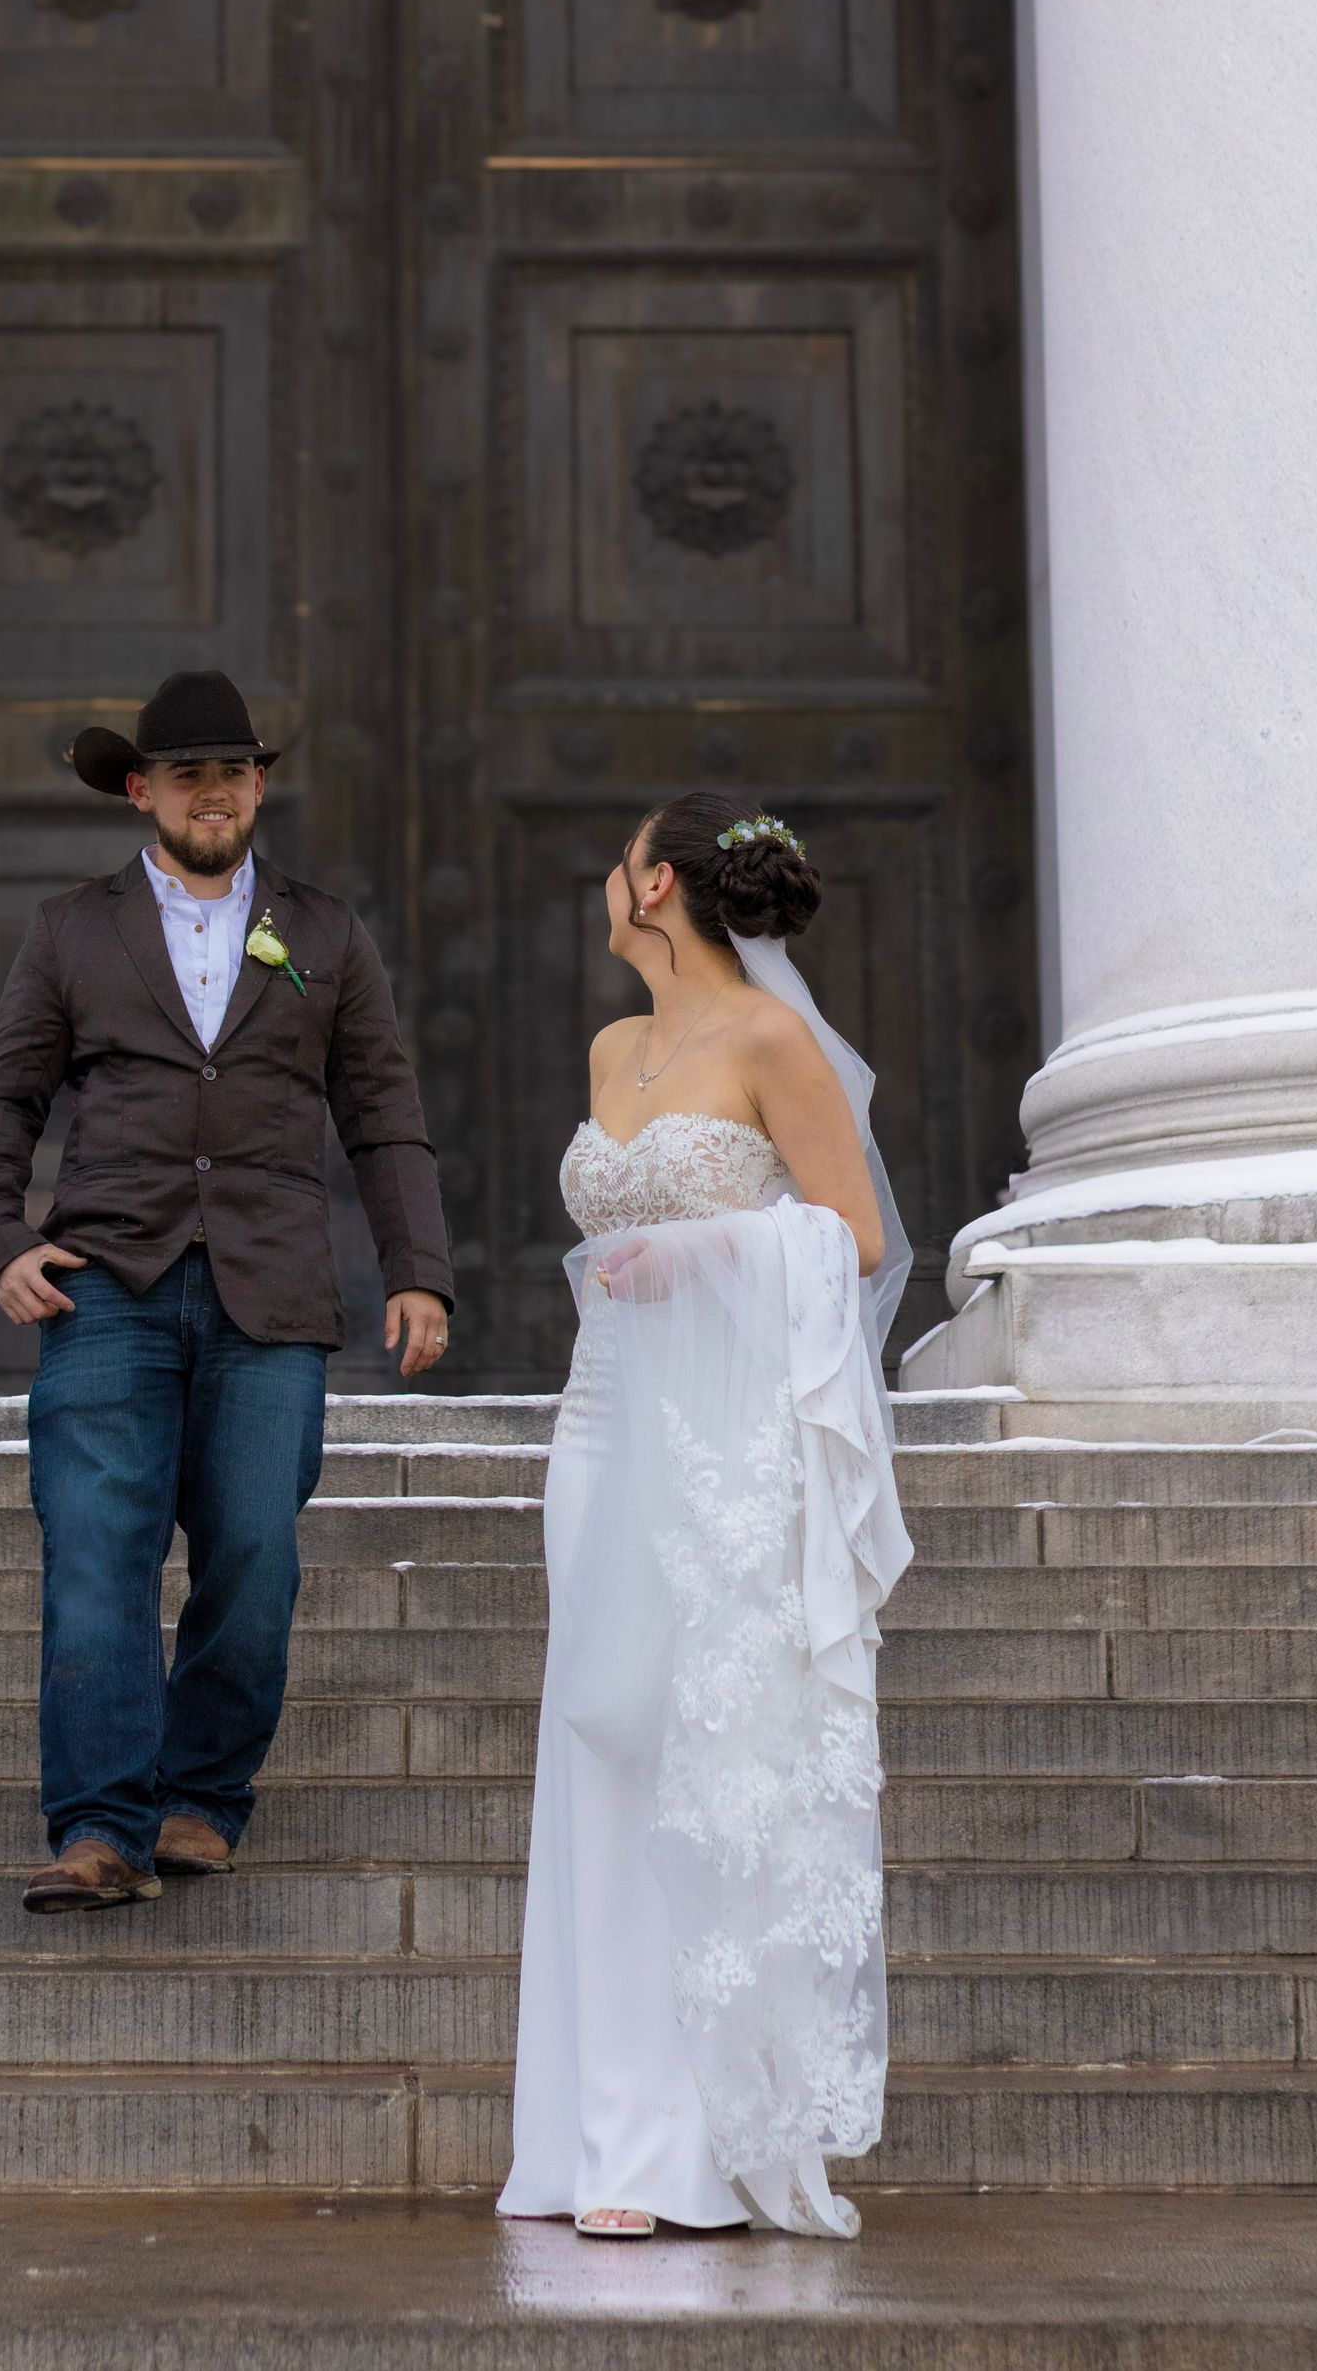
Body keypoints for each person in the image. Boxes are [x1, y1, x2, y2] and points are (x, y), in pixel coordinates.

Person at [0, 668, 453, 1913]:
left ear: (260, 784)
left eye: (234, 771)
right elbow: (6, 1097)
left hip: (271, 1296)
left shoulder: (325, 932)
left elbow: (382, 1116)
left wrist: (419, 1271)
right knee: (95, 1556)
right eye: (189, 774)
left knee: (254, 1558)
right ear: (142, 791)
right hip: (106, 1288)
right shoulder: (72, 928)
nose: (214, 792)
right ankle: (99, 1827)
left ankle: (201, 1799)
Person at [496, 794, 914, 2240]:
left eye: (617, 860)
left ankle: (693, 2139)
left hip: (724, 1443)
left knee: (699, 1756)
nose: (605, 882)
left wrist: (701, 1244)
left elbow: (852, 1237)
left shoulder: (771, 1040)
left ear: (655, 881)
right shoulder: (616, 1047)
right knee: (600, 1745)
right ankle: (598, 2130)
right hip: (603, 1426)